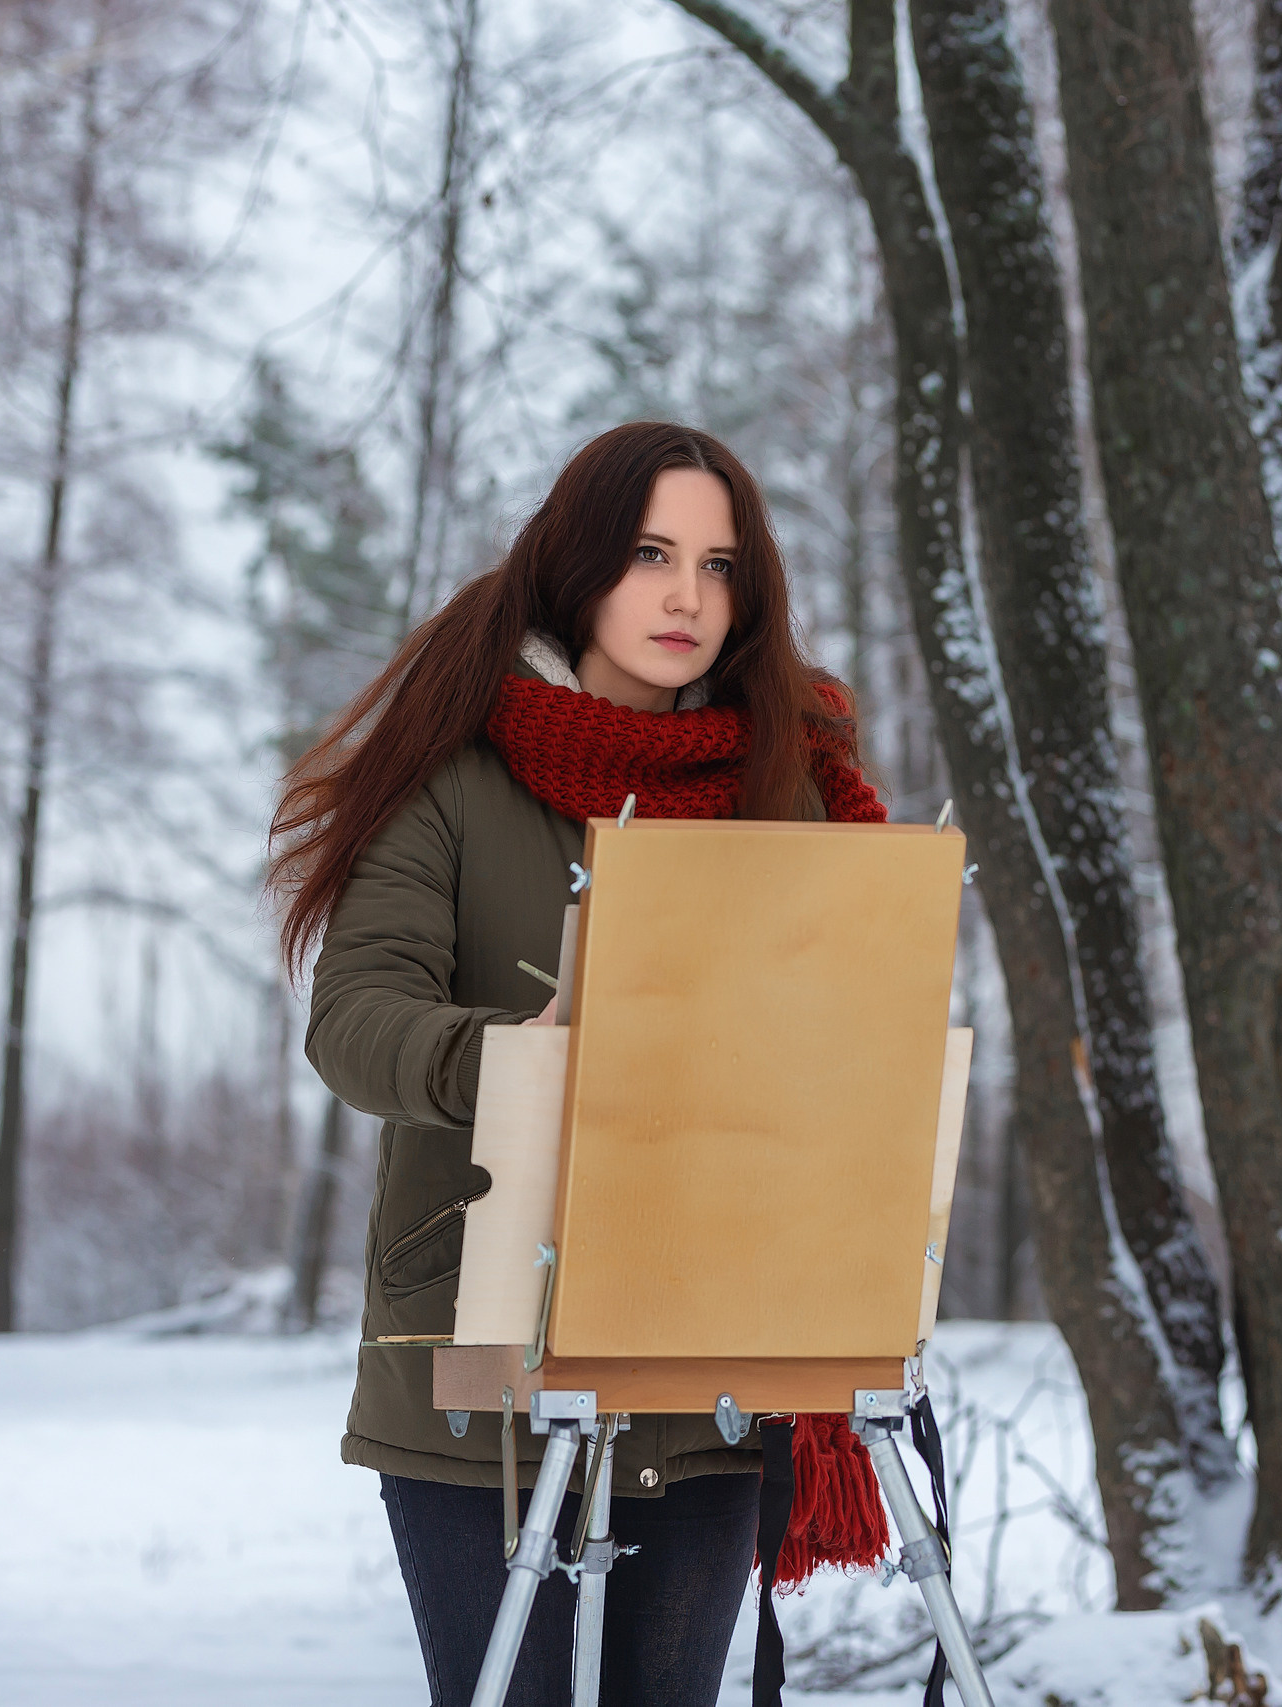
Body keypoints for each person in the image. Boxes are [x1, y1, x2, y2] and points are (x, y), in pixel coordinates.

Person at [271, 422, 889, 1706]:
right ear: (579, 563)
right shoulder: (455, 772)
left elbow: (844, 1032)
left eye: (718, 568)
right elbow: (356, 1019)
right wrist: (514, 1061)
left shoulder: (787, 790)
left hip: (709, 1357)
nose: (685, 598)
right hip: (482, 1353)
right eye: (652, 554)